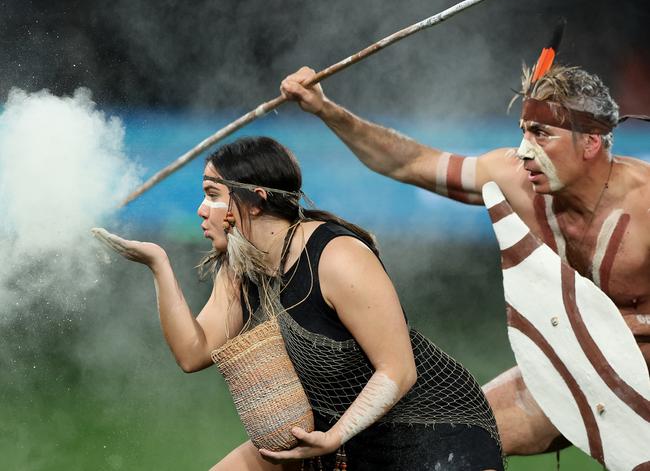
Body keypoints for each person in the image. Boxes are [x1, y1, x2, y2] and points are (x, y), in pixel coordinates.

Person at [279, 63, 650, 456]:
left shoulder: (644, 202)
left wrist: (618, 328)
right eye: (524, 132)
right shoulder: (514, 178)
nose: (525, 150)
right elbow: (408, 163)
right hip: (575, 372)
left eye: (542, 134)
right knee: (453, 442)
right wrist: (325, 109)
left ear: (590, 143)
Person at [92, 136, 503, 470]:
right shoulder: (239, 269)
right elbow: (193, 352)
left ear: (254, 201)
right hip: (334, 440)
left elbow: (397, 370)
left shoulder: (338, 257)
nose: (202, 209)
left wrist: (336, 436)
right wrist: (158, 265)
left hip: (432, 433)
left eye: (213, 195)